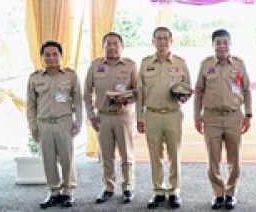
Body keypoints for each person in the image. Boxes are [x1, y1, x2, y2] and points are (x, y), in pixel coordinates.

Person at [194, 29, 252, 210]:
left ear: (230, 44)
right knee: (213, 158)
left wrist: (248, 114)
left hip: (233, 116)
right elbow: (199, 91)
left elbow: (247, 90)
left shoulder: (239, 65)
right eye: (218, 42)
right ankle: (218, 194)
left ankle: (231, 193)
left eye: (225, 42)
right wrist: (197, 115)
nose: (221, 46)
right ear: (213, 45)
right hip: (211, 118)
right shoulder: (205, 65)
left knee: (234, 158)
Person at [137, 27, 191, 209]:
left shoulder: (180, 63)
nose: (162, 42)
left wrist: (184, 96)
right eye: (158, 39)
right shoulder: (145, 64)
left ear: (171, 41)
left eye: (165, 38)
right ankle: (158, 191)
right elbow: (140, 93)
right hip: (151, 114)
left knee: (174, 154)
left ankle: (174, 191)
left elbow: (187, 87)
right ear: (153, 41)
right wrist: (139, 117)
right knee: (155, 155)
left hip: (173, 114)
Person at [26, 40, 82, 209]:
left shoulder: (70, 76)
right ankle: (54, 192)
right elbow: (31, 106)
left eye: (55, 54)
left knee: (67, 158)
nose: (51, 58)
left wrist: (78, 121)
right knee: (48, 160)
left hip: (64, 122)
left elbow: (78, 101)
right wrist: (33, 127)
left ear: (61, 56)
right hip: (44, 124)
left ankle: (68, 192)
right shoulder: (34, 78)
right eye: (47, 55)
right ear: (42, 57)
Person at [84, 32, 138, 204]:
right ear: (103, 46)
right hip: (103, 117)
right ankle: (108, 187)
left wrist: (127, 99)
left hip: (123, 116)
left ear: (121, 47)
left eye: (116, 44)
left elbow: (138, 92)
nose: (112, 47)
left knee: (126, 155)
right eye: (108, 44)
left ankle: (128, 187)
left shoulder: (130, 65)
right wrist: (91, 115)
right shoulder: (95, 65)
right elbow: (86, 93)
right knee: (106, 155)